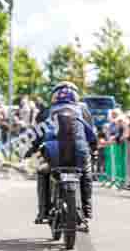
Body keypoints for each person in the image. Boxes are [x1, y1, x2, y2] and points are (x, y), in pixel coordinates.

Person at [26, 82, 97, 224]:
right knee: (86, 171)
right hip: (79, 153)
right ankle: (87, 208)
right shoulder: (83, 110)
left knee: (42, 171)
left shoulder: (47, 111)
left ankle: (43, 211)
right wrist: (93, 150)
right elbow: (91, 134)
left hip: (53, 154)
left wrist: (31, 150)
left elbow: (36, 135)